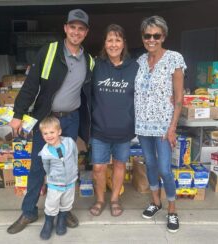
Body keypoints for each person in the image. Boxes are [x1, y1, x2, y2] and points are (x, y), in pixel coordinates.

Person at [7, 9, 94, 234]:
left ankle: (64, 210)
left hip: (71, 120)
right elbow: (30, 85)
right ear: (65, 28)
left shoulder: (89, 60)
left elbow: (90, 96)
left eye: (81, 28)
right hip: (47, 119)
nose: (76, 32)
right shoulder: (49, 52)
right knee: (38, 166)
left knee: (67, 167)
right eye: (72, 27)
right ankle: (28, 211)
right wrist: (18, 114)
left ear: (86, 32)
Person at [134, 15, 186, 233]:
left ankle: (172, 210)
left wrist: (173, 127)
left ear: (163, 36)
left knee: (164, 168)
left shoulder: (174, 58)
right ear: (143, 37)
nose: (152, 39)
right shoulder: (139, 61)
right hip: (143, 125)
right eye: (147, 35)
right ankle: (156, 202)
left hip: (164, 126)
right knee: (150, 165)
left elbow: (179, 97)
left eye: (156, 35)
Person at [89, 24, 138, 217]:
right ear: (105, 43)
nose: (113, 44)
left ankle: (115, 199)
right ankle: (100, 199)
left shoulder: (134, 67)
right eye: (110, 40)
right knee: (99, 167)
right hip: (100, 128)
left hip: (124, 128)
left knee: (119, 165)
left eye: (117, 40)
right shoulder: (95, 65)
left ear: (123, 43)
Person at [38, 116, 78, 240]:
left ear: (59, 131)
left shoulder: (69, 142)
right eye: (45, 133)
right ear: (42, 135)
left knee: (67, 202)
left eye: (52, 132)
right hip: (55, 184)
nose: (49, 136)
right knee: (51, 204)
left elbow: (75, 155)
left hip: (70, 182)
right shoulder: (45, 152)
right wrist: (52, 177)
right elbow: (47, 167)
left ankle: (62, 219)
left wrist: (74, 170)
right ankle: (49, 222)